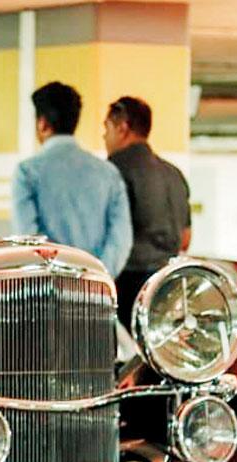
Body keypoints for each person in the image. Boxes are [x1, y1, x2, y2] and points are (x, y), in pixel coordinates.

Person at [11, 82, 132, 278]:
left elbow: (28, 238)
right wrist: (97, 276)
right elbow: (121, 239)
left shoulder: (27, 172)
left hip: (46, 293)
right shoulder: (108, 173)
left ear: (42, 123)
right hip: (96, 293)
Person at [102, 96, 192, 326]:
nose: (104, 136)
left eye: (107, 128)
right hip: (168, 285)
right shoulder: (174, 173)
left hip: (125, 286)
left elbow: (101, 233)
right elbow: (185, 238)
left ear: (122, 128)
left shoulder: (112, 171)